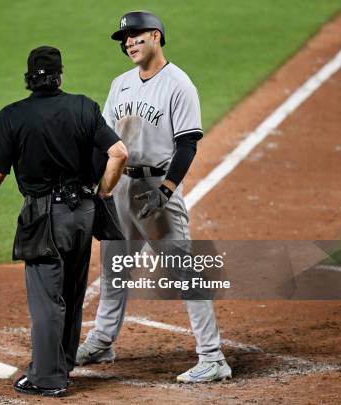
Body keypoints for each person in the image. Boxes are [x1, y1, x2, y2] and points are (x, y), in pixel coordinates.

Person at [0, 46, 128, 396]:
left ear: (29, 79)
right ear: (60, 76)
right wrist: (102, 193)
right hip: (83, 214)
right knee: (72, 294)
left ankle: (47, 378)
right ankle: (63, 363)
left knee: (47, 299)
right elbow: (118, 154)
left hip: (44, 218)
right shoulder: (84, 107)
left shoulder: (12, 117)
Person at [75, 11, 232, 383]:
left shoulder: (178, 85)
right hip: (121, 187)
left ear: (157, 37)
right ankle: (102, 342)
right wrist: (97, 187)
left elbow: (188, 144)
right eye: (124, 38)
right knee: (114, 269)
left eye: (135, 35)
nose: (128, 42)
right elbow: (107, 142)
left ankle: (213, 357)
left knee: (185, 273)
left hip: (156, 188)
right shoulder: (121, 84)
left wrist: (166, 191)